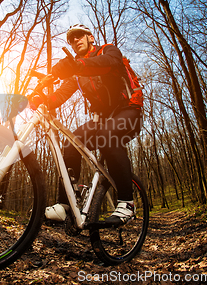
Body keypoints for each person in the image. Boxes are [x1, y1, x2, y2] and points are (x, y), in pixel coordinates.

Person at [29, 24, 143, 226]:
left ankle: (127, 203)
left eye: (79, 36)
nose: (75, 41)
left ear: (90, 37)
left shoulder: (108, 50)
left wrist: (79, 65)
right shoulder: (78, 72)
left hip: (128, 110)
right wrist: (41, 99)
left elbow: (110, 62)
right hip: (103, 119)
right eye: (71, 40)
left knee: (110, 136)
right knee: (70, 143)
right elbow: (62, 94)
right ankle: (65, 206)